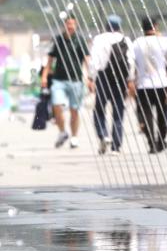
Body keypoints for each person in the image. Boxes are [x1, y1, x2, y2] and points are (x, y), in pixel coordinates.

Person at [41, 14, 92, 149]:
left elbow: (87, 60)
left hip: (76, 80)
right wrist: (44, 76)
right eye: (68, 24)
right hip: (59, 80)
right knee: (56, 105)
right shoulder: (58, 40)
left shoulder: (80, 40)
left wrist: (91, 78)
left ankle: (74, 137)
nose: (70, 26)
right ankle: (63, 132)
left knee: (74, 110)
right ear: (64, 25)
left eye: (72, 24)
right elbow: (50, 60)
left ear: (76, 25)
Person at [89, 14, 135, 154]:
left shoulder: (99, 39)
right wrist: (130, 80)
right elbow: (131, 60)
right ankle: (116, 145)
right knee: (118, 111)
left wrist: (91, 78)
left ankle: (103, 135)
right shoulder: (125, 39)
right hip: (120, 78)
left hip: (103, 77)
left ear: (106, 25)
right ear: (119, 26)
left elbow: (94, 60)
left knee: (99, 109)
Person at [133, 16, 167, 154]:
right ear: (155, 26)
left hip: (143, 84)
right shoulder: (163, 41)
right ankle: (161, 141)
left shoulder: (136, 43)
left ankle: (152, 143)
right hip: (161, 83)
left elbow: (132, 63)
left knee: (146, 114)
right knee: (162, 113)